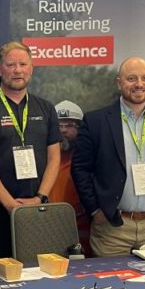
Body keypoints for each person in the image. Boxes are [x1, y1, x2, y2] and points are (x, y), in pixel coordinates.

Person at [71, 57, 145, 257]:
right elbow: (80, 169)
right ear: (119, 83)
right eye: (131, 78)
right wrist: (95, 211)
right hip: (112, 227)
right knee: (111, 285)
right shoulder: (96, 121)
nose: (139, 84)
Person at [0, 41, 61, 259]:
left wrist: (40, 198)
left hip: (38, 209)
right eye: (10, 65)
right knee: (1, 275)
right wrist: (10, 204)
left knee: (40, 273)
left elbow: (54, 157)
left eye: (23, 64)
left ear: (31, 68)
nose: (17, 70)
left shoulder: (46, 108)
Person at [49, 100, 90, 254]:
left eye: (70, 125)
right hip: (49, 225)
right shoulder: (43, 161)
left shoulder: (87, 160)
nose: (64, 131)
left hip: (82, 227)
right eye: (59, 126)